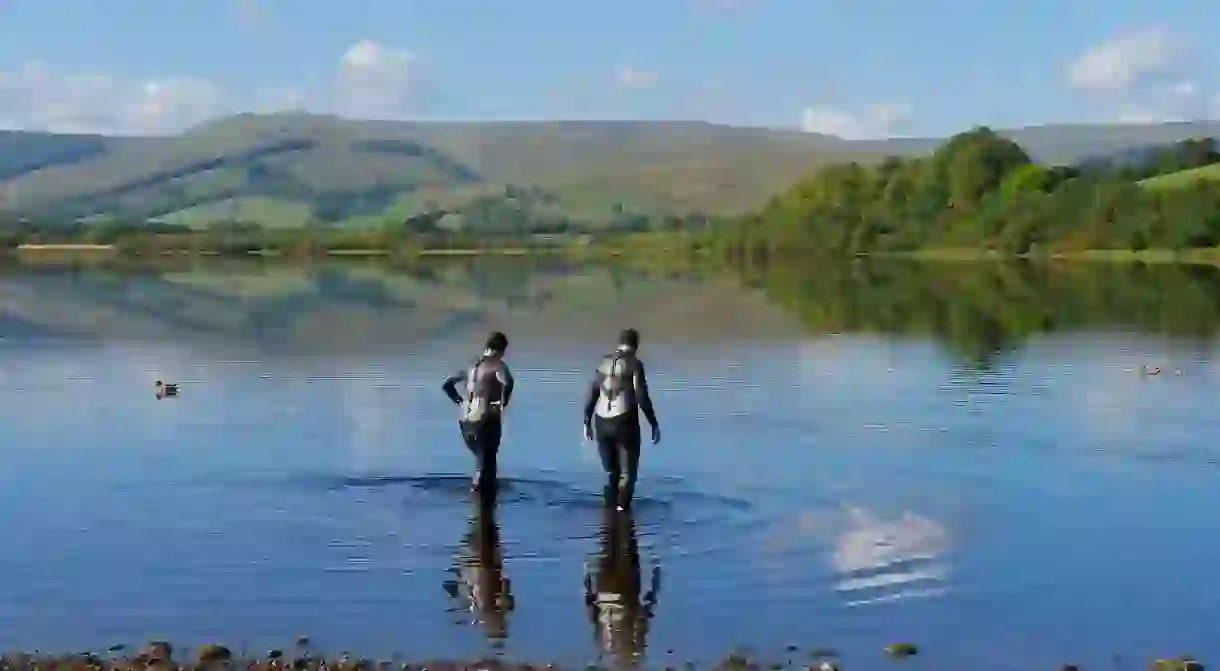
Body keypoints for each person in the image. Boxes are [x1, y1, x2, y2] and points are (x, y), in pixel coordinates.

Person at [583, 328, 660, 511]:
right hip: (624, 422)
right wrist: (653, 423)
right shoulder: (634, 364)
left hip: (601, 421)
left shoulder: (603, 363)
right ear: (635, 346)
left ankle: (609, 514)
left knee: (611, 472)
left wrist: (586, 421)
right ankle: (622, 513)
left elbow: (593, 393)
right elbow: (641, 396)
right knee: (627, 473)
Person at [582, 500, 661, 663]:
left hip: (618, 591)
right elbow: (592, 612)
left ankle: (615, 508)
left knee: (621, 541)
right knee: (612, 540)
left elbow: (592, 612)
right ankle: (619, 508)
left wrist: (655, 584)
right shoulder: (614, 646)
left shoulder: (611, 645)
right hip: (612, 591)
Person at [442, 486, 514, 647]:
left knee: (482, 522)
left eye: (499, 628)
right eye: (502, 628)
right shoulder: (500, 607)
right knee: (483, 521)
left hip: (481, 562)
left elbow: (506, 583)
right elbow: (506, 583)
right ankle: (481, 494)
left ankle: (480, 494)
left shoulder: (485, 609)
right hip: (485, 562)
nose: (502, 625)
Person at [443, 331, 514, 489]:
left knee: (484, 464)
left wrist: (460, 401)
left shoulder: (471, 365)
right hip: (485, 419)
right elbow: (508, 383)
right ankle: (482, 504)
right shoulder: (497, 364)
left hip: (465, 421)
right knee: (486, 468)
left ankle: (482, 505)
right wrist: (502, 404)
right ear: (501, 349)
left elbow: (447, 384)